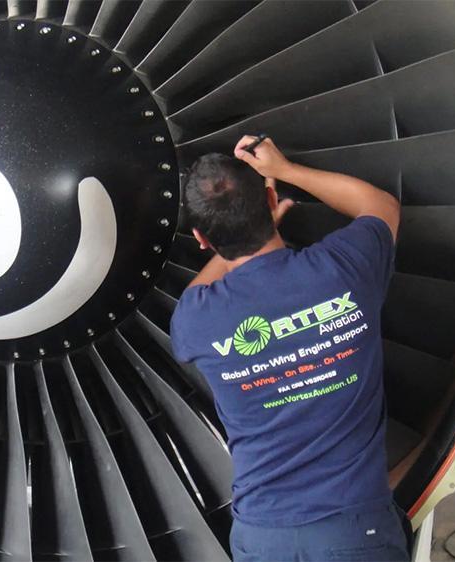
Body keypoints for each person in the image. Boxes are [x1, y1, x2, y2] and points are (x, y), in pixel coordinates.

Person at [170, 136, 410, 562]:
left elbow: (196, 292)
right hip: (355, 529)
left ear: (201, 240)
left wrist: (237, 242)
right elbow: (380, 206)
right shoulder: (344, 270)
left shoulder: (196, 321)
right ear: (268, 197)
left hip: (264, 537)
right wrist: (284, 170)